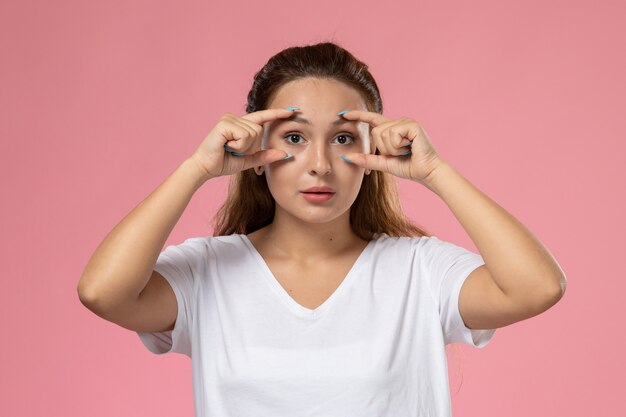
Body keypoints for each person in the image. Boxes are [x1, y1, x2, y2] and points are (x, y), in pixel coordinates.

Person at [77, 41, 566, 416]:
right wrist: (196, 169)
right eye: (294, 137)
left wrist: (435, 172)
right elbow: (103, 292)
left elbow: (537, 287)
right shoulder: (207, 272)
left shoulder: (419, 270)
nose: (319, 164)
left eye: (342, 139)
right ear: (255, 155)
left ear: (372, 154)